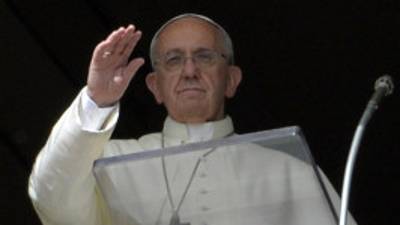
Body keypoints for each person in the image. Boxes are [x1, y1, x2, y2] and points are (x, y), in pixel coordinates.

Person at [28, 13, 356, 225]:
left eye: (204, 56)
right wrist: (97, 100)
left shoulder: (290, 173)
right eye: (173, 60)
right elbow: (51, 198)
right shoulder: (110, 163)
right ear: (155, 86)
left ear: (231, 79)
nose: (189, 71)